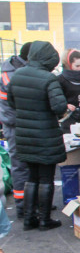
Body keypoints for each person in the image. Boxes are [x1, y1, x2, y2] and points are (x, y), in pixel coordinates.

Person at [7, 41, 68, 231]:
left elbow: (11, 102)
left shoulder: (16, 76)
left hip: (24, 133)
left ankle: (28, 218)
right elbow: (59, 107)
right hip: (46, 135)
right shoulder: (49, 79)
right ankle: (44, 219)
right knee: (46, 177)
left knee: (31, 176)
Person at [0, 41, 31, 218]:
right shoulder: (10, 76)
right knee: (20, 166)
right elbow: (11, 107)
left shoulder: (11, 72)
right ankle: (23, 206)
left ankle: (31, 204)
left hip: (19, 125)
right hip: (15, 127)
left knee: (27, 166)